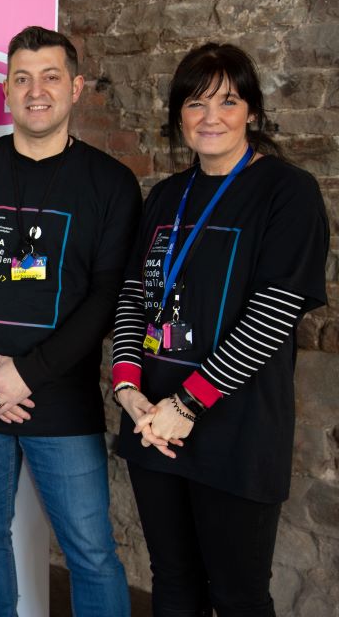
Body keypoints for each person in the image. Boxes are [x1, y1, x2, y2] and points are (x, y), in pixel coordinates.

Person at [0, 26, 139, 617]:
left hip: (62, 400)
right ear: (7, 91)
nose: (35, 90)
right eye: (21, 78)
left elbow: (108, 294)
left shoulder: (111, 183)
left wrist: (29, 373)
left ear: (76, 87)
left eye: (49, 77)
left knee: (91, 553)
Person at [111, 43, 328, 616]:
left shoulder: (288, 192)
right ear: (178, 114)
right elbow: (136, 298)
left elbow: (273, 315)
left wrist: (186, 404)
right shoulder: (165, 196)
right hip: (153, 423)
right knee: (173, 585)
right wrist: (129, 391)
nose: (211, 116)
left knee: (237, 597)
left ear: (251, 112)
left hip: (236, 429)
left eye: (228, 101)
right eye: (195, 102)